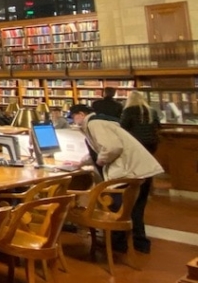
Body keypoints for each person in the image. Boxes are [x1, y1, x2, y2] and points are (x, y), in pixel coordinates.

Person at [68, 104, 162, 254]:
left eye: (73, 117)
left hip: (126, 172)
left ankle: (117, 245)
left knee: (117, 209)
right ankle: (140, 244)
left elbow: (112, 148)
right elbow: (100, 148)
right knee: (136, 209)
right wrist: (82, 162)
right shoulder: (103, 122)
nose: (73, 121)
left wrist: (100, 161)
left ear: (80, 114)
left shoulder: (94, 123)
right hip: (140, 169)